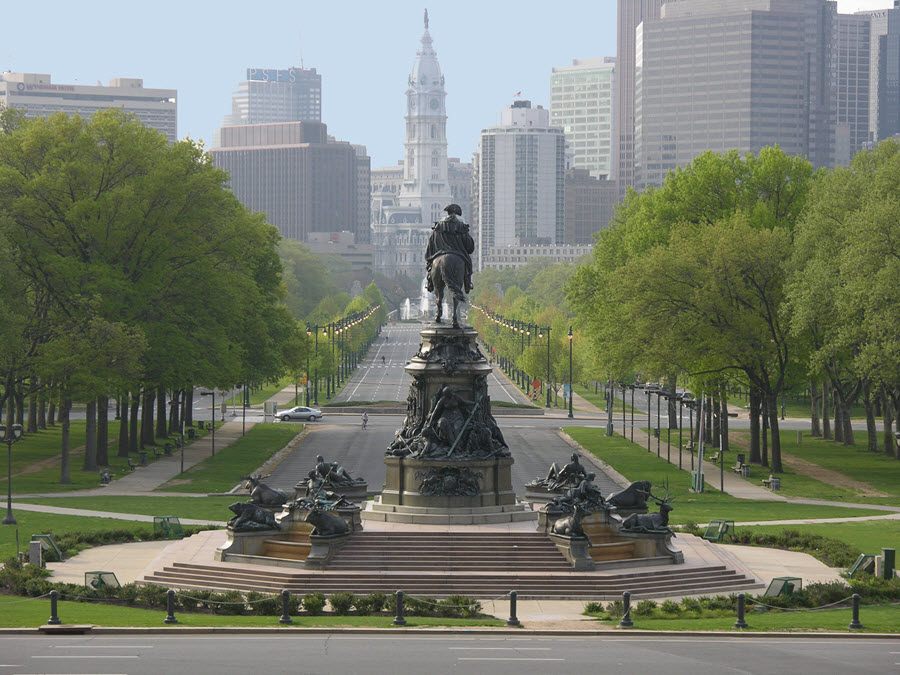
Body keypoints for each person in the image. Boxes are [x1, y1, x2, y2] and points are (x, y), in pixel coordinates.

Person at [425, 204, 474, 294]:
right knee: (468, 266)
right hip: (458, 254)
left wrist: (429, 257)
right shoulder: (461, 226)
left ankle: (429, 282)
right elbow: (469, 245)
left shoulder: (438, 226)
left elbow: (431, 243)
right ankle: (468, 283)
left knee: (432, 265)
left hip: (440, 253)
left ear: (448, 213)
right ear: (456, 214)